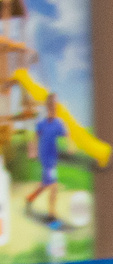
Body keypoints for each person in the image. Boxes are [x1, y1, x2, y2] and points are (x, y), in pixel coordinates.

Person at [32, 94, 68, 224]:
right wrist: (33, 150)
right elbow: (35, 136)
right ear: (48, 107)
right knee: (54, 186)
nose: (54, 108)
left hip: (52, 159)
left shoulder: (58, 123)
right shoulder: (42, 123)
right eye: (51, 105)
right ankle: (51, 214)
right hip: (46, 160)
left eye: (55, 105)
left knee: (45, 184)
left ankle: (31, 197)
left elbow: (67, 134)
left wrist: (71, 145)